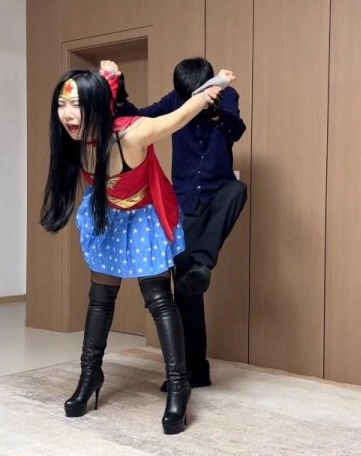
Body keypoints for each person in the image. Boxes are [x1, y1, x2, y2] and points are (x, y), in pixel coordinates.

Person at [40, 60, 234, 435]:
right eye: (62, 105)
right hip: (109, 217)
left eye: (76, 104)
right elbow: (103, 95)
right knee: (100, 299)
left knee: (159, 298)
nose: (67, 114)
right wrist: (110, 77)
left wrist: (216, 84)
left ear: (95, 106)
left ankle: (179, 384)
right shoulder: (74, 142)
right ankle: (89, 376)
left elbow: (179, 116)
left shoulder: (133, 133)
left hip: (145, 217)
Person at [116, 57, 248, 392]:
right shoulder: (175, 99)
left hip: (217, 194)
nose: (190, 101)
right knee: (188, 289)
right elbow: (139, 116)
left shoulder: (226, 95)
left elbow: (236, 131)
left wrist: (216, 112)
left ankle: (204, 262)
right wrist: (118, 92)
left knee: (238, 189)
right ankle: (195, 372)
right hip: (184, 204)